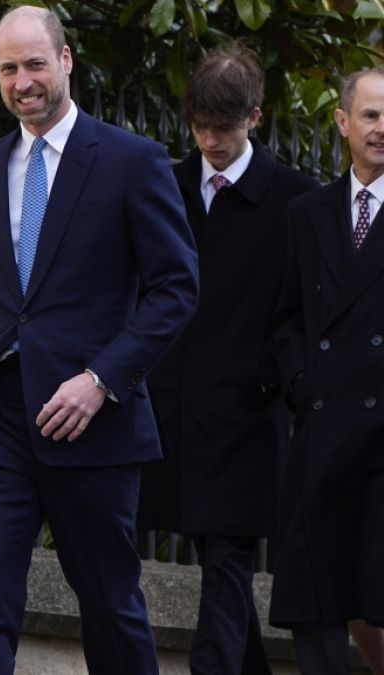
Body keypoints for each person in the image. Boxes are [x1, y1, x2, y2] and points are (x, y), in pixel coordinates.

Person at [0, 6, 199, 674]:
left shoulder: (132, 161)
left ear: (67, 60)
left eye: (34, 64)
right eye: (8, 68)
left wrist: (102, 378)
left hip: (92, 421)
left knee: (110, 604)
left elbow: (176, 288)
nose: (23, 81)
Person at [136, 43, 319, 675]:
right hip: (166, 411)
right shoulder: (165, 184)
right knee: (219, 576)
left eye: (225, 126)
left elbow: (300, 311)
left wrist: (273, 377)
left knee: (227, 563)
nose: (210, 140)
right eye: (200, 126)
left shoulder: (295, 201)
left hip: (246, 417)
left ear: (256, 117)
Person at [268, 65, 384, 674]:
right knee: (314, 602)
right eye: (370, 115)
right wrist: (300, 383)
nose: (382, 128)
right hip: (320, 433)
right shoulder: (307, 213)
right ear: (342, 122)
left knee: (374, 593)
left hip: (382, 442)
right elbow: (286, 319)